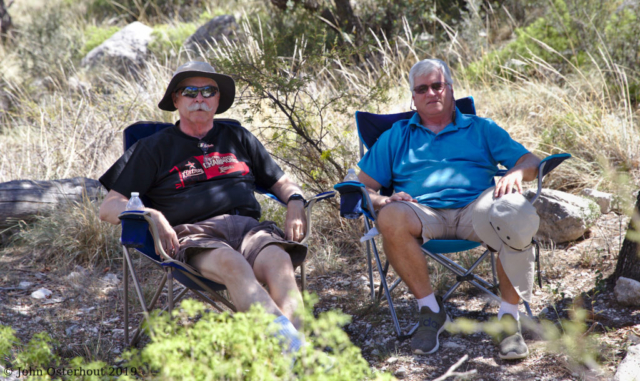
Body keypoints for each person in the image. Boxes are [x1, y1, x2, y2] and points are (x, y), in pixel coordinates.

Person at [99, 61, 307, 351]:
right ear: (176, 99)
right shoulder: (153, 147)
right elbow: (109, 207)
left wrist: (296, 202)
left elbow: (282, 183)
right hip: (196, 236)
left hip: (250, 231)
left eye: (208, 91)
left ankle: (292, 353)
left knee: (279, 261)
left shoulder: (239, 138)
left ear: (218, 100)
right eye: (190, 91)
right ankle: (299, 354)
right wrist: (151, 214)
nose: (200, 98)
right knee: (232, 264)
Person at [357, 58, 541, 360]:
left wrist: (516, 173)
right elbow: (362, 187)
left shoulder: (482, 129)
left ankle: (509, 318)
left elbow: (531, 162)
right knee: (389, 217)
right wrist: (382, 201)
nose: (431, 93)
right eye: (422, 88)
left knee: (514, 211)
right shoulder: (396, 136)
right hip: (421, 212)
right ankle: (430, 311)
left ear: (451, 89)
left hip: (477, 211)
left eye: (437, 85)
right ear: (413, 98)